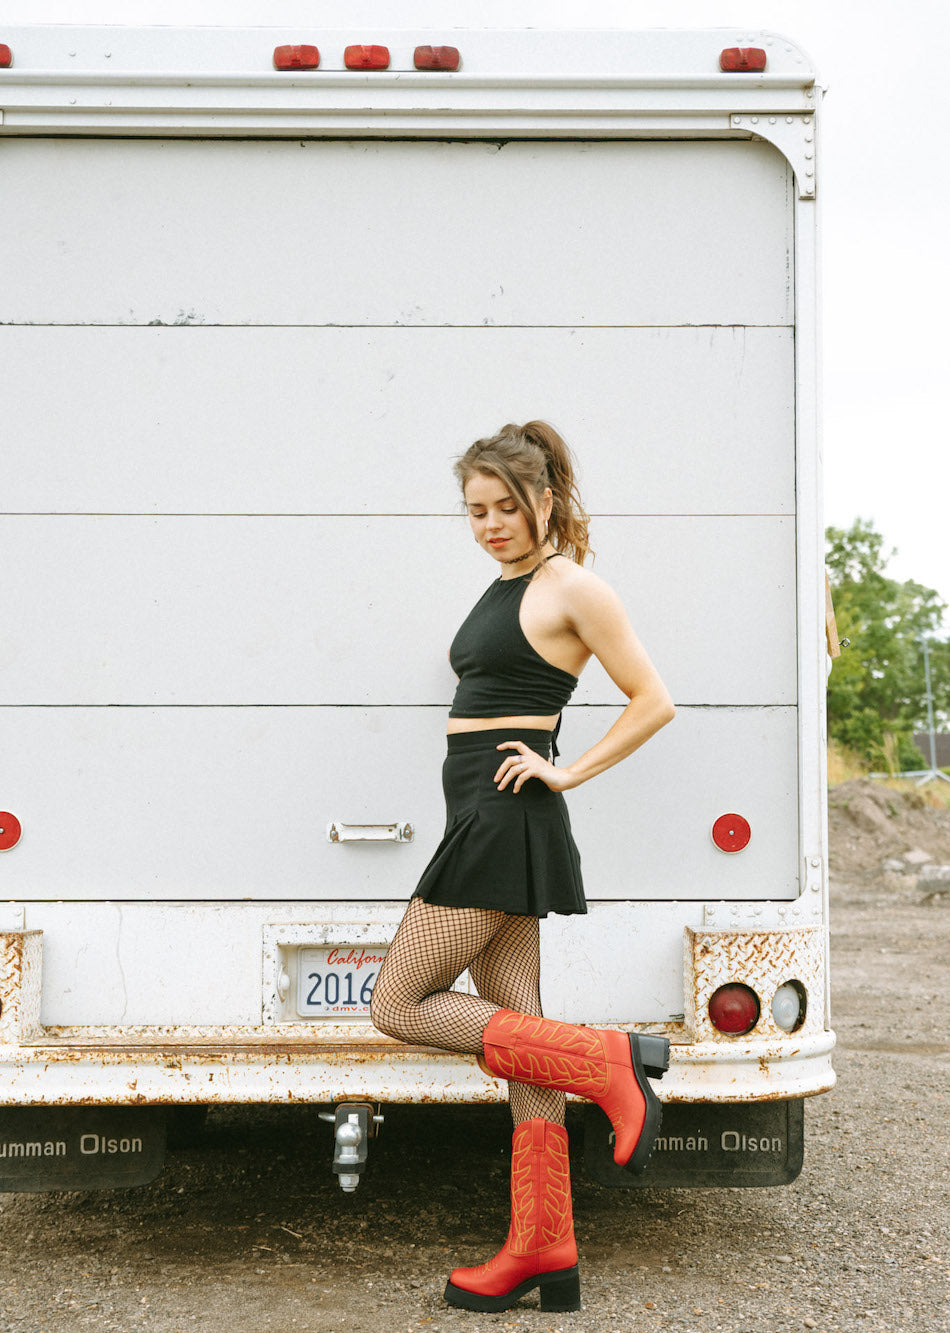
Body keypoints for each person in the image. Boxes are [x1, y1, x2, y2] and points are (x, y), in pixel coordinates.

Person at [370, 420, 676, 1314]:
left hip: (504, 817)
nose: (492, 523)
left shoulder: (571, 585)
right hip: (481, 811)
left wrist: (566, 770)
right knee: (520, 1039)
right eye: (476, 510)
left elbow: (653, 699)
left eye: (506, 506)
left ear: (545, 499)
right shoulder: (507, 584)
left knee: (398, 1003)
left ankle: (608, 1059)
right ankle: (544, 1243)